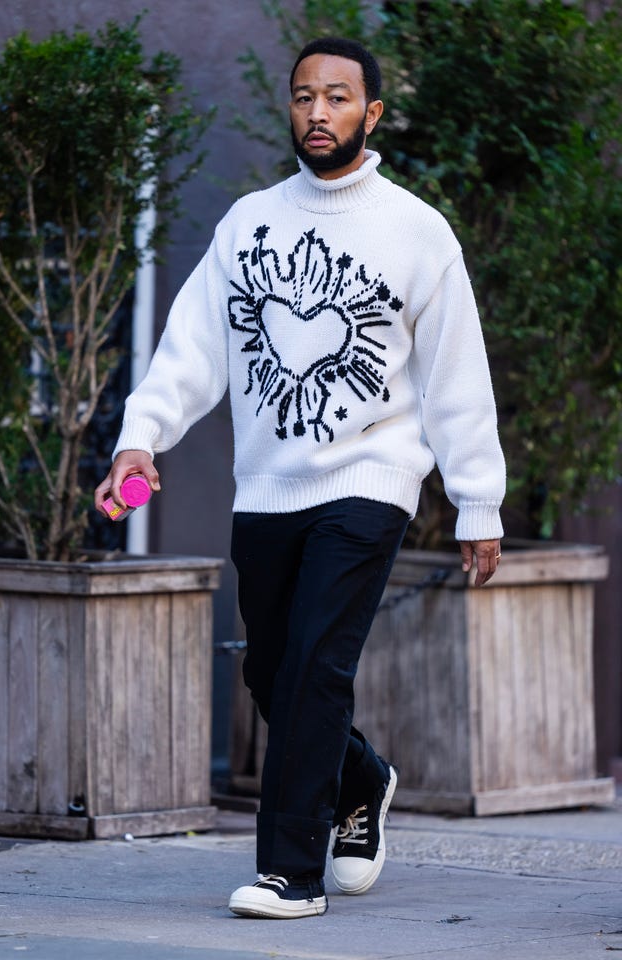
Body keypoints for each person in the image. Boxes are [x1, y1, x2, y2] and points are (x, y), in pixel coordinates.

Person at [95, 36, 506, 920]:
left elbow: (455, 375)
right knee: (273, 674)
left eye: (338, 98)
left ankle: (291, 871)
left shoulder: (416, 231)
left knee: (317, 665)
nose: (319, 113)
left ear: (372, 114)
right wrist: (141, 440)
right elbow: (194, 347)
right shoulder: (248, 222)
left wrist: (478, 500)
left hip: (371, 479)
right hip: (269, 488)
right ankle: (361, 778)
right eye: (304, 97)